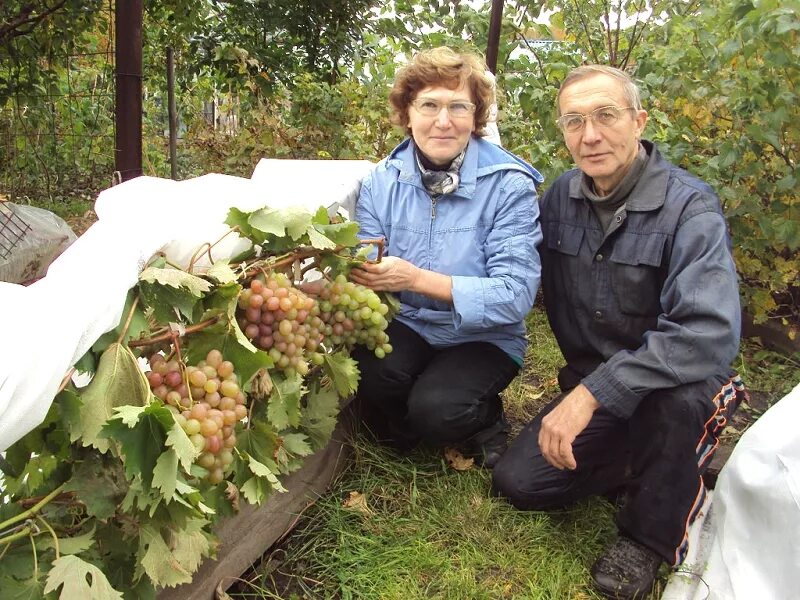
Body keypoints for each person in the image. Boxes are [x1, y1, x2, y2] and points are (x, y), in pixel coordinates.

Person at [491, 65, 747, 599]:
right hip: (597, 387)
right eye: (574, 121)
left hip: (678, 383)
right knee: (520, 483)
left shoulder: (689, 207)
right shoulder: (560, 197)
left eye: (605, 116)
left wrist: (588, 394)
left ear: (638, 120)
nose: (590, 135)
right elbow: (513, 272)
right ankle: (646, 461)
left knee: (676, 407)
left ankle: (649, 538)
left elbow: (707, 333)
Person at [349, 47, 543, 467]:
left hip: (485, 334)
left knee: (437, 410)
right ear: (407, 113)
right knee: (370, 373)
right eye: (429, 105)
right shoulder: (380, 183)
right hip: (408, 322)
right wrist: (341, 277)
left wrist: (415, 279)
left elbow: (515, 295)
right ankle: (420, 413)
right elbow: (365, 257)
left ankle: (484, 417)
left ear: (475, 117)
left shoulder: (509, 184)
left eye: (458, 106)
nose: (443, 120)